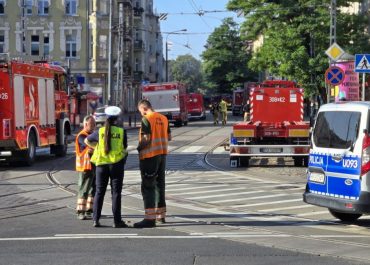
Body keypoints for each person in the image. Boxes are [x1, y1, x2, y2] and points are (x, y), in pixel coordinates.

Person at [85, 106, 128, 228]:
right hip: (116, 165)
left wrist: (97, 148)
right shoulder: (121, 132)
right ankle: (117, 221)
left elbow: (87, 141)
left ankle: (95, 220)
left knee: (99, 192)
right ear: (117, 118)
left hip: (102, 165)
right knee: (116, 193)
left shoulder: (100, 131)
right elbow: (124, 148)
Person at [134, 99, 171, 228]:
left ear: (144, 108)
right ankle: (161, 216)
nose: (141, 114)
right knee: (160, 185)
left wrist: (138, 148)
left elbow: (146, 139)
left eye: (140, 111)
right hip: (162, 154)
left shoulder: (146, 119)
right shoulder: (164, 118)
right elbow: (169, 137)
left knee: (148, 186)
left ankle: (149, 219)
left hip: (150, 156)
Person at [75, 115, 96, 220]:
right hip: (85, 167)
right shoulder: (82, 135)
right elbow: (89, 147)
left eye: (94, 124)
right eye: (92, 124)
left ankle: (89, 210)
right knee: (84, 189)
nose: (94, 126)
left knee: (93, 190)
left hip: (93, 166)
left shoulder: (92, 134)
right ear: (85, 124)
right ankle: (80, 211)